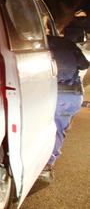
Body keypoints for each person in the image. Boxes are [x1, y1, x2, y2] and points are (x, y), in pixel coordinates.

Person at [39, 32, 89, 182]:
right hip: (68, 95)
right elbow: (84, 64)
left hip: (43, 94)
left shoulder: (35, 43)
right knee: (58, 128)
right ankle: (47, 165)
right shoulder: (67, 43)